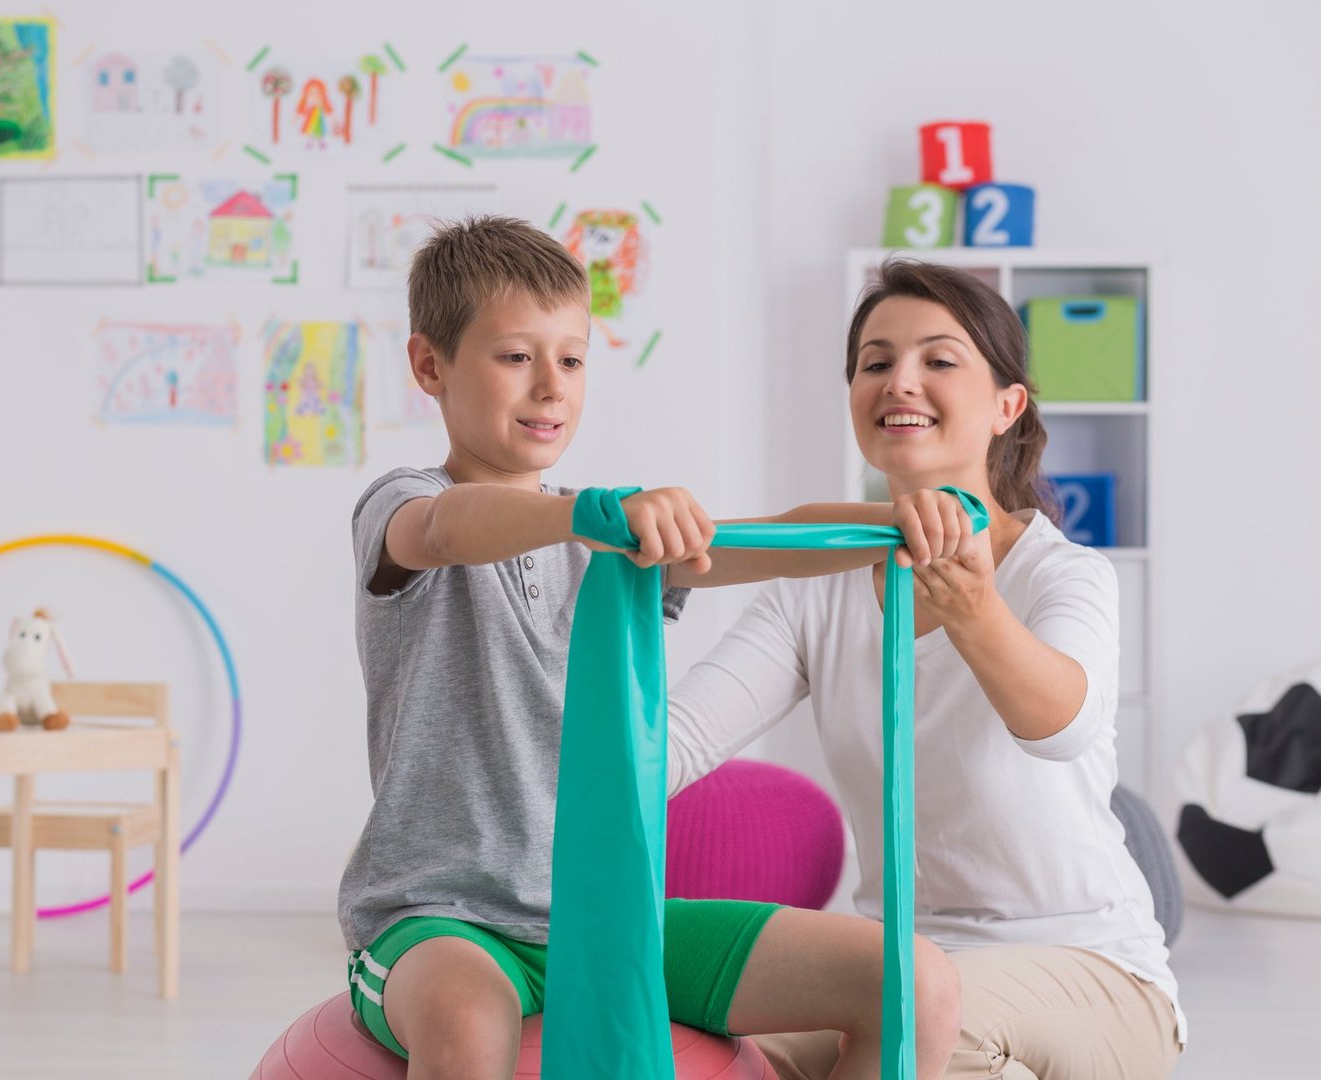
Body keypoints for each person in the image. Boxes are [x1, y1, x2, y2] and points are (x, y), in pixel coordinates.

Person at [339, 218, 965, 1080]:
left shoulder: (603, 531)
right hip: (441, 918)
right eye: (517, 357)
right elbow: (448, 529)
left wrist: (897, 519)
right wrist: (591, 517)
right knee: (466, 1016)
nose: (551, 387)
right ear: (429, 366)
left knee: (914, 982)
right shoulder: (404, 505)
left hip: (613, 912)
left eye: (571, 360)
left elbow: (753, 539)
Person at [667, 259, 1185, 1079]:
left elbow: (1062, 726)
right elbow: (676, 742)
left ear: (1006, 407)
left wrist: (976, 607)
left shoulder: (1062, 574)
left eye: (939, 361)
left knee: (919, 1028)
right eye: (875, 363)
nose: (899, 382)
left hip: (1089, 967)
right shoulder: (820, 588)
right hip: (898, 961)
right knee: (702, 1054)